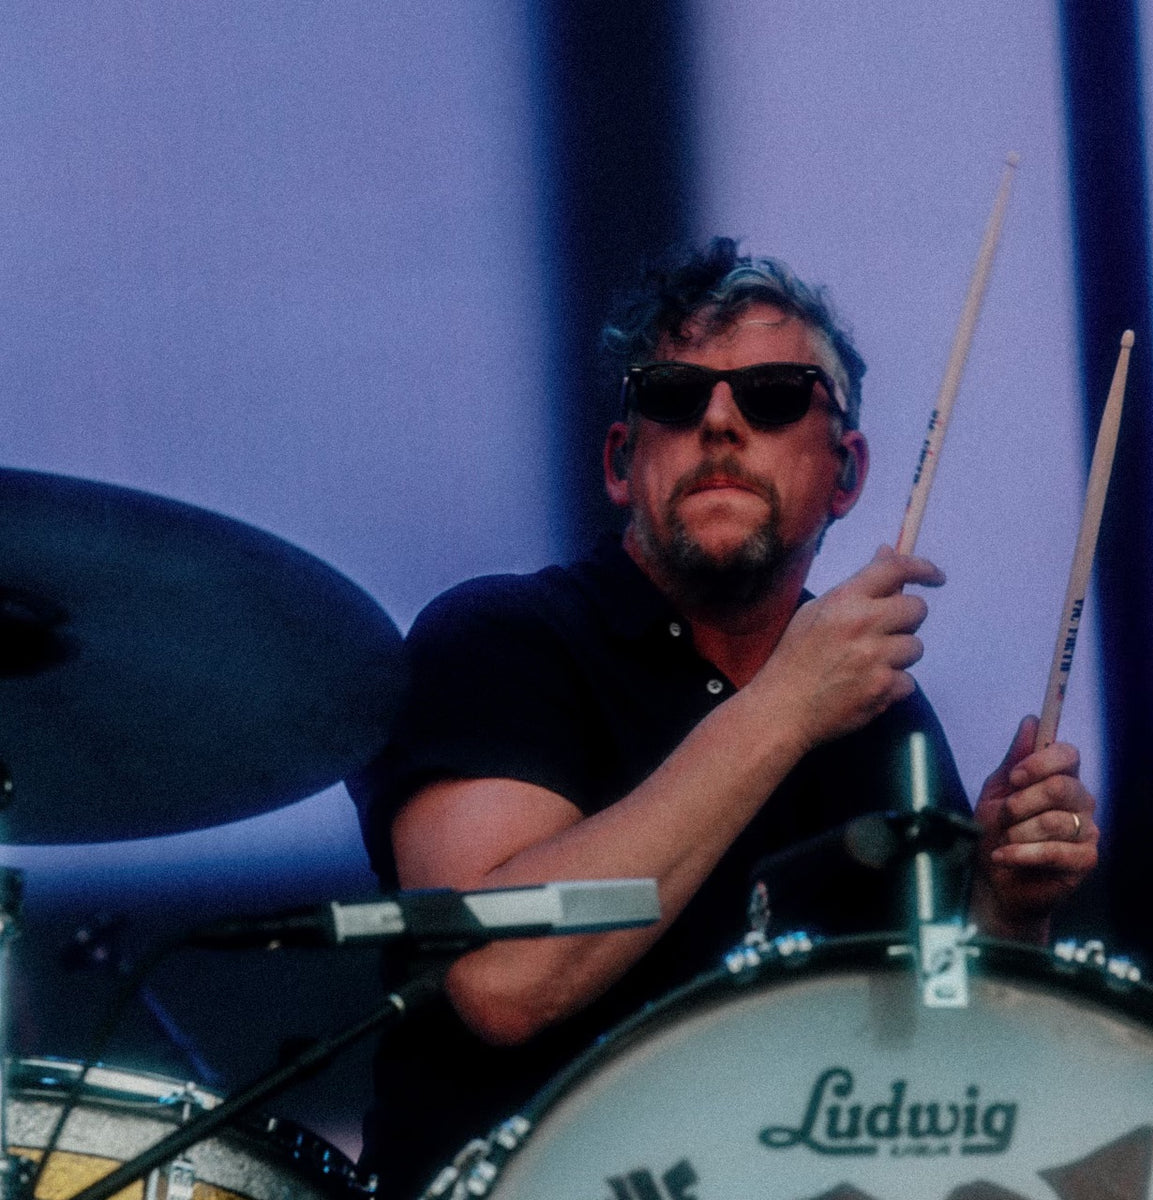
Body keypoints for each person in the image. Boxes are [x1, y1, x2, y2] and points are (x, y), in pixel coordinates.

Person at [350, 238, 1098, 1197]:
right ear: (623, 461)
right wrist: (783, 705)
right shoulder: (500, 639)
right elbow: (499, 979)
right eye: (672, 393)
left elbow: (946, 1079)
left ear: (847, 473)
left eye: (775, 395)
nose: (717, 421)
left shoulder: (882, 723)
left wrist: (1008, 907)